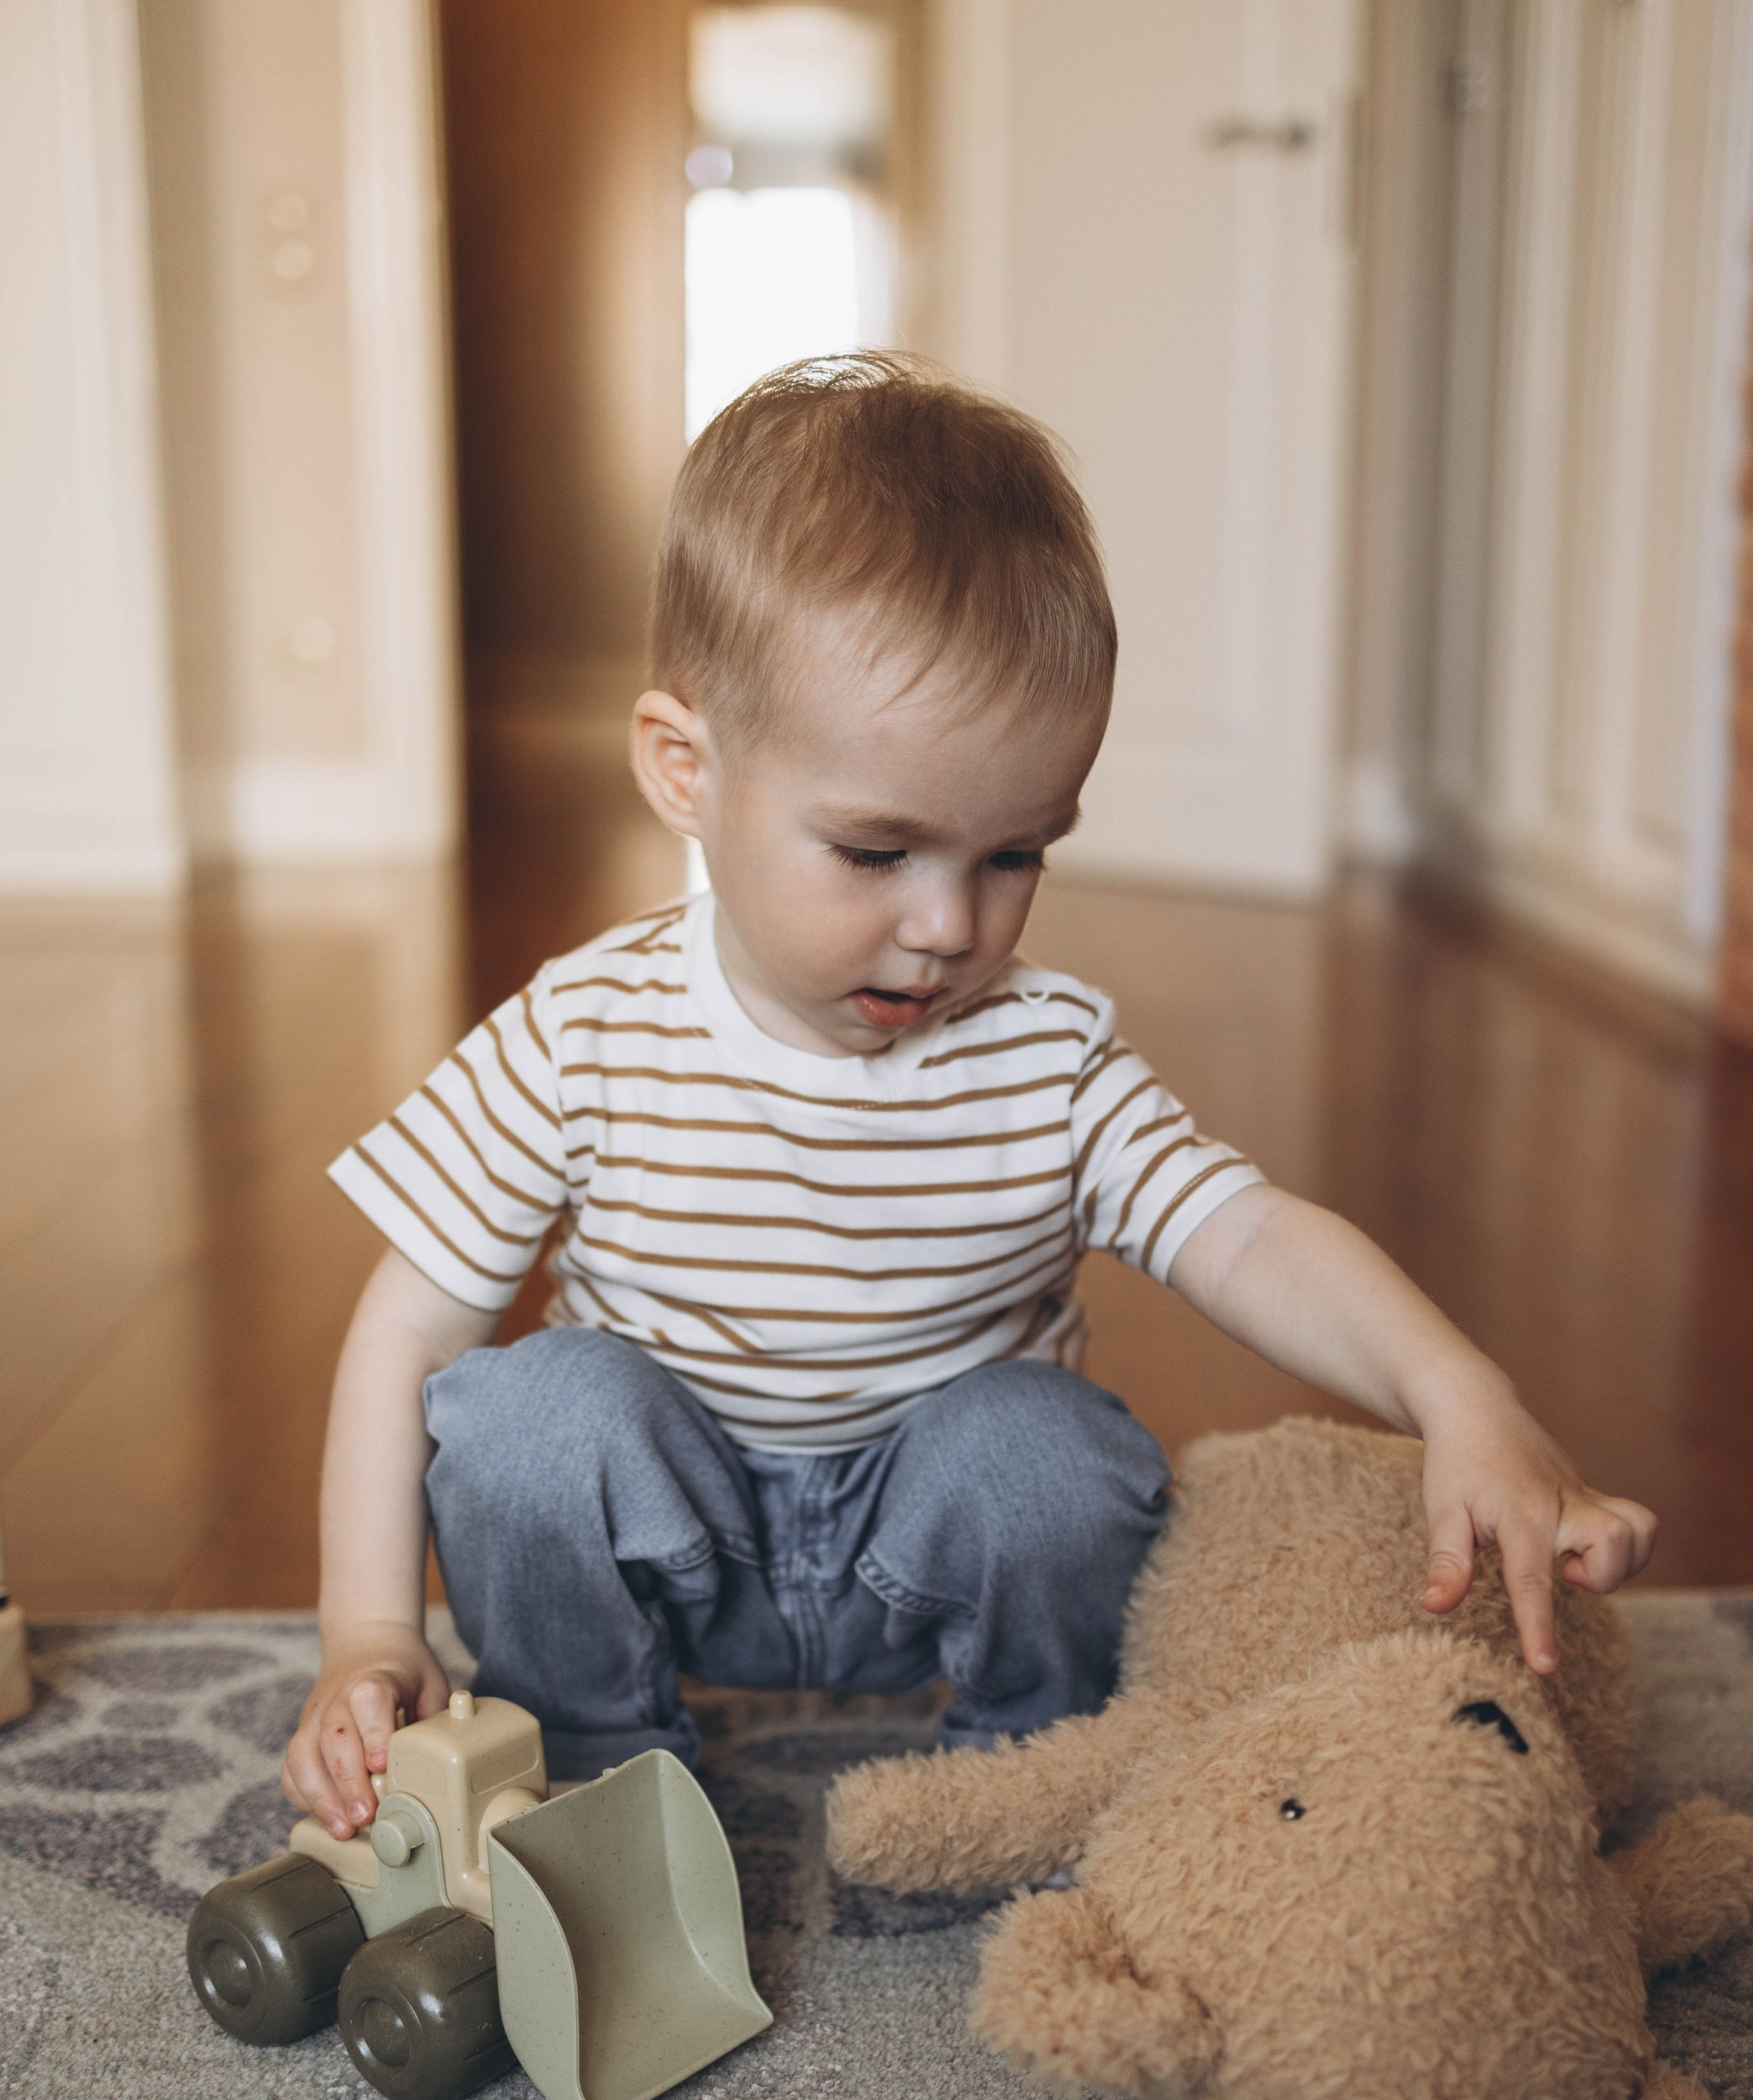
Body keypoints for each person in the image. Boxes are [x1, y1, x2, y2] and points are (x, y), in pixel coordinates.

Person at [281, 353, 1656, 1840]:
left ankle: (1028, 1772)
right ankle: (597, 1765)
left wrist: (1461, 1393)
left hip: (921, 1568)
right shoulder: (582, 1029)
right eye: (875, 853)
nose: (947, 927)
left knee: (1047, 1450)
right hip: (670, 1559)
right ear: (685, 770)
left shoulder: (1042, 1052)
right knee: (526, 1418)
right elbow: (410, 1329)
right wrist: (366, 1632)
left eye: (1012, 854)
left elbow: (1249, 1238)